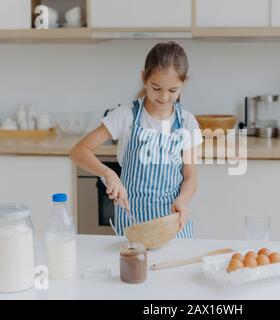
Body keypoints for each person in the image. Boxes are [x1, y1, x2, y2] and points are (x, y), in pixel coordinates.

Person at [70, 41, 203, 238]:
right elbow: (78, 151)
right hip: (134, 226)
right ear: (144, 78)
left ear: (184, 84)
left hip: (174, 227)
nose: (164, 97)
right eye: (156, 88)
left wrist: (183, 200)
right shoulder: (126, 115)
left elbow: (190, 176)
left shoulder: (187, 122)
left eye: (173, 90)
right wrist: (109, 174)